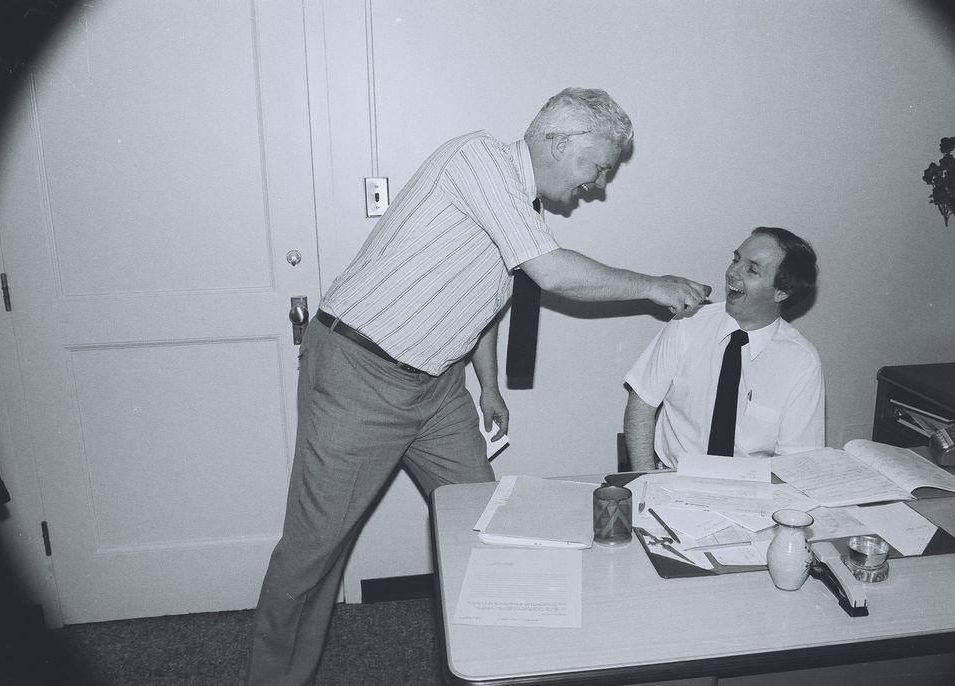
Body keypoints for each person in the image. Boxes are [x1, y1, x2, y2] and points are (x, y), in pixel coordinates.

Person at [245, 87, 710, 685]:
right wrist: (654, 285)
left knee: (481, 521)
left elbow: (481, 297)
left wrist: (488, 383)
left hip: (438, 388)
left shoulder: (520, 206)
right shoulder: (478, 159)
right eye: (597, 167)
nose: (596, 185)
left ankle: (496, 665)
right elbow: (552, 271)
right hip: (360, 371)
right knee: (314, 549)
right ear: (559, 141)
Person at [623, 227, 824, 470]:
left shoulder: (801, 362)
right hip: (672, 477)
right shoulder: (688, 322)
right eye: (736, 259)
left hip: (753, 486)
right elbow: (642, 403)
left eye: (752, 269)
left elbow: (796, 462)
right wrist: (646, 478)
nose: (732, 272)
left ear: (781, 292)